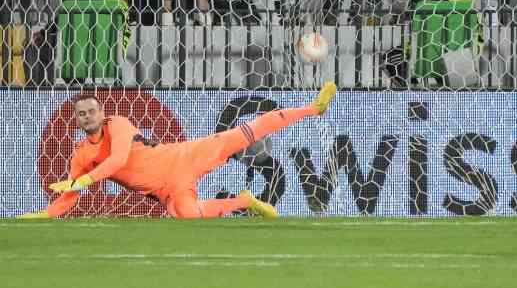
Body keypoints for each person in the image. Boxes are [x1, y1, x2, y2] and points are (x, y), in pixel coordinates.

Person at [17, 81, 337, 219]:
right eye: (82, 114)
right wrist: (42, 215)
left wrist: (83, 181)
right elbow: (68, 198)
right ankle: (245, 201)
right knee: (185, 214)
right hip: (169, 188)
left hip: (184, 155)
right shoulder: (80, 155)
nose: (88, 117)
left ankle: (313, 108)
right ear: (76, 120)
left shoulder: (118, 124)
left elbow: (117, 161)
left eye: (92, 111)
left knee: (247, 132)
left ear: (102, 113)